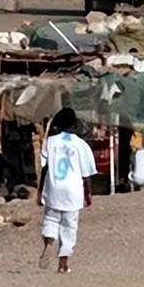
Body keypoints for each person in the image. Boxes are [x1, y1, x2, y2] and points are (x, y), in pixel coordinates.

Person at [38, 107, 96, 273]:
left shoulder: (50, 141)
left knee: (51, 219)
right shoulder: (81, 144)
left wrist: (40, 190)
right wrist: (89, 192)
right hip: (73, 190)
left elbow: (44, 167)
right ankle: (63, 263)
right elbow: (86, 173)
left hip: (53, 187)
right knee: (69, 226)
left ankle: (49, 242)